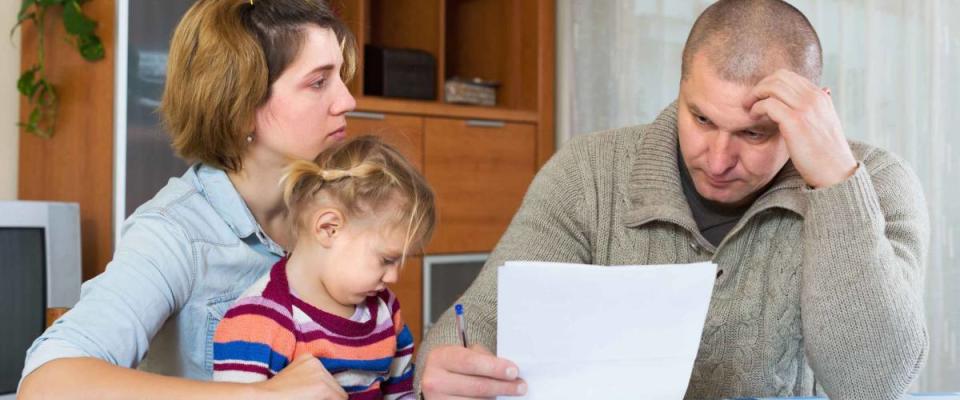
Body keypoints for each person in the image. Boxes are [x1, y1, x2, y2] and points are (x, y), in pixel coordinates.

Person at [415, 0, 929, 399]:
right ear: (680, 87)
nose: (719, 158)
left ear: (813, 113)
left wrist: (837, 184)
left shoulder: (877, 184)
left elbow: (873, 387)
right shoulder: (588, 172)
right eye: (701, 118)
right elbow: (475, 328)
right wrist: (443, 369)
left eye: (754, 134)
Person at [19, 1, 362, 398]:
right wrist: (259, 396)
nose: (347, 101)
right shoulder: (174, 233)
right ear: (241, 104)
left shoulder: (341, 209)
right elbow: (46, 384)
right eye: (319, 82)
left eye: (341, 76)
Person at [212, 135, 436, 400]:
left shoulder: (386, 310)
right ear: (329, 229)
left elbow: (400, 392)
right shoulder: (258, 321)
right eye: (387, 260)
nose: (394, 276)